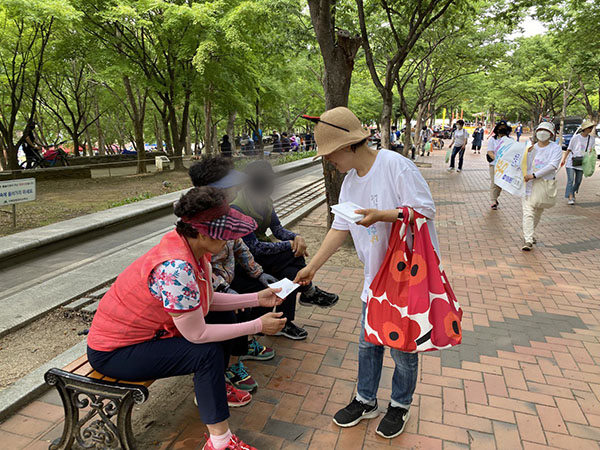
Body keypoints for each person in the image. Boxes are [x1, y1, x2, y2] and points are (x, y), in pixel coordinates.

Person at [87, 187, 287, 450]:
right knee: (205, 353)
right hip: (115, 352)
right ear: (203, 232)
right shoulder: (176, 268)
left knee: (225, 318)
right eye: (224, 235)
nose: (228, 241)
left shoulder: (191, 249)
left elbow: (205, 299)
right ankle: (220, 442)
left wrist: (257, 299)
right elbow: (197, 334)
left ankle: (215, 390)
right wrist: (258, 325)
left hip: (144, 338)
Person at [295, 107, 438, 439]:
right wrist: (312, 267)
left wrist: (383, 216)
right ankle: (365, 399)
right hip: (374, 279)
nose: (328, 161)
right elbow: (339, 228)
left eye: (330, 154)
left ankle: (400, 404)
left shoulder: (395, 165)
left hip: (405, 279)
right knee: (368, 343)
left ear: (348, 145)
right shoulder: (348, 183)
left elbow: (425, 209)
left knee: (403, 349)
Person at [189, 156, 277, 393]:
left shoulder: (225, 213)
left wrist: (259, 274)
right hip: (205, 288)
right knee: (232, 311)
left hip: (223, 281)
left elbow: (239, 245)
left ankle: (243, 346)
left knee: (261, 292)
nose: (235, 191)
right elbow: (198, 267)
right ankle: (229, 363)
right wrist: (224, 289)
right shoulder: (196, 221)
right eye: (229, 188)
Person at [231, 160, 339, 340]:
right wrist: (289, 245)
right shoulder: (238, 207)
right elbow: (252, 248)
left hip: (260, 254)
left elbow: (277, 229)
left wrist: (296, 237)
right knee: (290, 255)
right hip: (243, 260)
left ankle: (284, 321)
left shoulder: (265, 200)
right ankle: (308, 292)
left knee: (290, 273)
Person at [521, 122, 562, 251]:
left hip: (543, 183)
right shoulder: (531, 148)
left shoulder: (555, 148)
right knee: (528, 211)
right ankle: (528, 239)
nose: (542, 133)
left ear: (551, 134)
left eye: (545, 130)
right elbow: (522, 163)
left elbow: (553, 166)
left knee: (538, 211)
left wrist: (534, 175)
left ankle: (530, 234)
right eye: (540, 130)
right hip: (528, 184)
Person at [560, 119, 596, 205]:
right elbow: (568, 149)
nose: (591, 129)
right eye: (589, 127)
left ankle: (571, 192)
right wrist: (563, 159)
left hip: (582, 162)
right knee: (570, 180)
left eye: (591, 127)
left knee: (578, 181)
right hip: (571, 161)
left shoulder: (591, 139)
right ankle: (570, 197)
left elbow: (591, 150)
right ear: (585, 128)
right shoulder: (575, 138)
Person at [487, 120, 513, 210]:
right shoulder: (492, 140)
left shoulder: (510, 141)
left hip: (505, 166)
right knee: (494, 181)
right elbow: (490, 152)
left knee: (500, 183)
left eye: (504, 129)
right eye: (500, 128)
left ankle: (495, 197)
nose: (501, 130)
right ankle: (493, 200)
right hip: (494, 164)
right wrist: (497, 160)